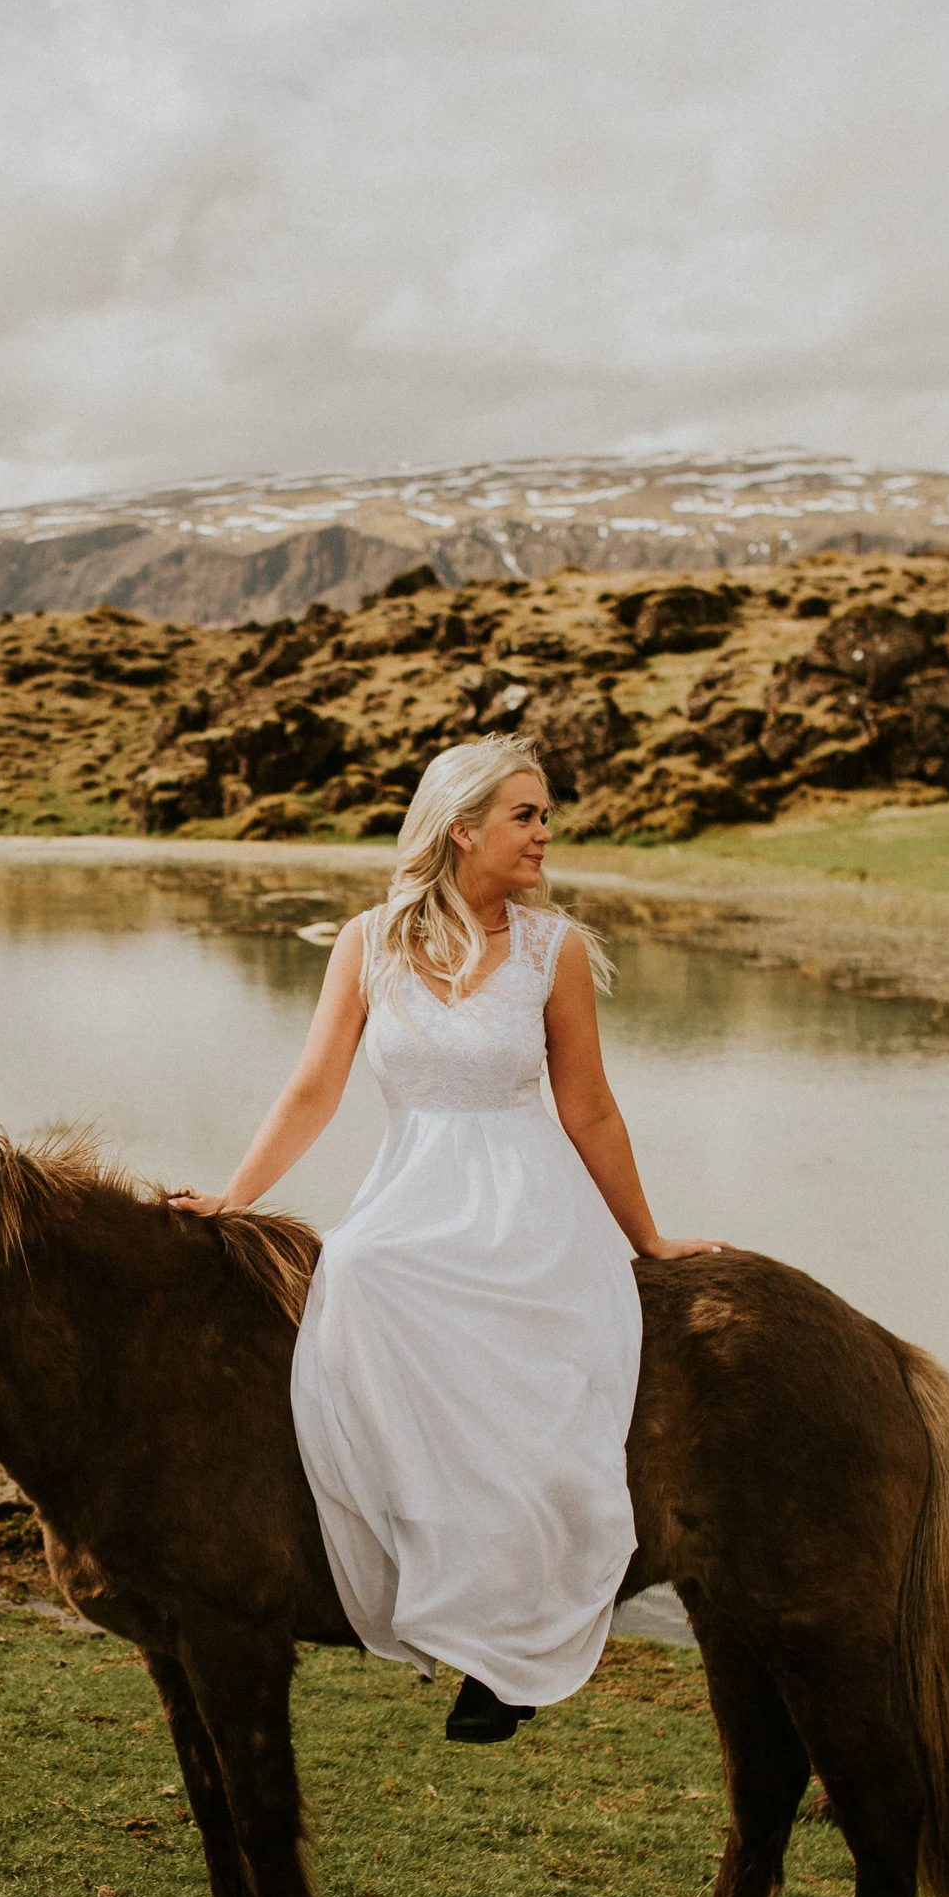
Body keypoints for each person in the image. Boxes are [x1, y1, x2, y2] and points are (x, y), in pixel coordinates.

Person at [170, 735, 720, 1744]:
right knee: (364, 1269)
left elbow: (590, 1108)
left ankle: (507, 1651)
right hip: (411, 1192)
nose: (544, 833)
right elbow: (313, 1090)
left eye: (545, 814)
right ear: (461, 827)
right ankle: (420, 1586)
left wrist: (647, 1239)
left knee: (527, 1387)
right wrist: (232, 1198)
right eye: (525, 815)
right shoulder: (365, 943)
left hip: (529, 1202)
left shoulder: (553, 953)